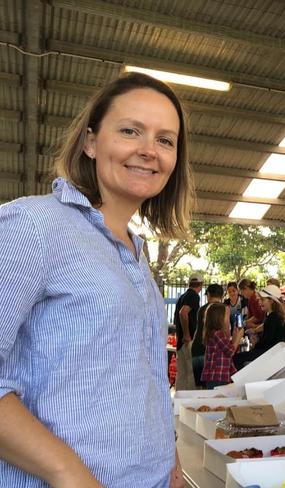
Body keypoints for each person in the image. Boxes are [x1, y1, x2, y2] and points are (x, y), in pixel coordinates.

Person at [0, 72, 193, 487]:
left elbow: (140, 377)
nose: (148, 151)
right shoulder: (33, 225)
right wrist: (70, 474)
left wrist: (170, 461)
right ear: (90, 142)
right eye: (130, 131)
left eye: (165, 140)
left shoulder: (135, 255)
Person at [234, 285, 285, 369]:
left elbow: (267, 342)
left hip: (271, 353)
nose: (260, 303)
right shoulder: (271, 316)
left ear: (271, 301)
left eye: (262, 300)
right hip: (272, 351)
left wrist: (255, 344)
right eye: (259, 300)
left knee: (237, 358)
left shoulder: (273, 317)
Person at [201, 303, 244, 389]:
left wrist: (235, 337)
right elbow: (230, 351)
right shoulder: (218, 333)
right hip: (218, 375)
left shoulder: (215, 332)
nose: (228, 319)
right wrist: (238, 338)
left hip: (218, 375)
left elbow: (226, 348)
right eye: (226, 316)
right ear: (219, 318)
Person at [173, 273, 203, 390]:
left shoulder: (182, 297)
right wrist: (187, 334)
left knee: (182, 373)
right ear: (200, 285)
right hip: (188, 339)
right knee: (191, 373)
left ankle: (179, 400)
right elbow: (183, 312)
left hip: (181, 340)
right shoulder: (193, 296)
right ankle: (191, 401)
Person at [193, 283, 224, 388]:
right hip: (211, 354)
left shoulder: (202, 309)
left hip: (197, 349)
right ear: (222, 295)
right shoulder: (222, 309)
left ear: (209, 295)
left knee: (201, 387)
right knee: (211, 388)